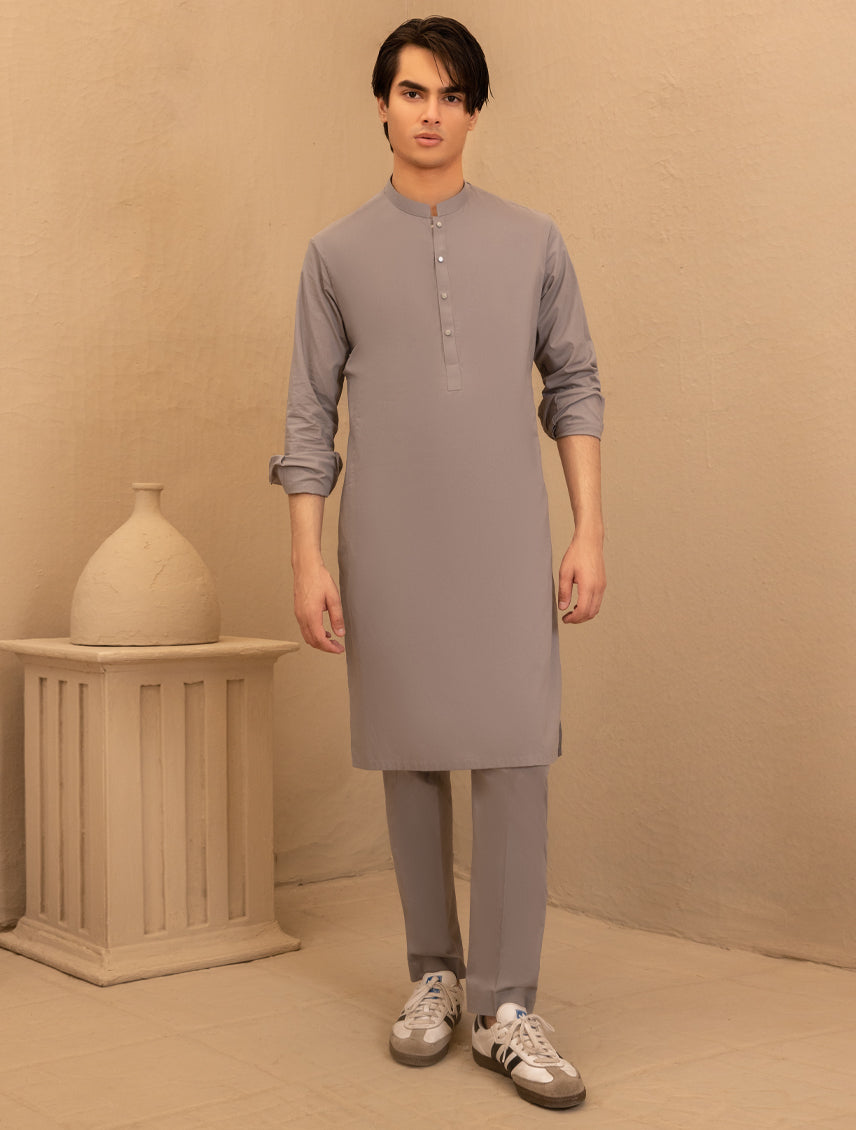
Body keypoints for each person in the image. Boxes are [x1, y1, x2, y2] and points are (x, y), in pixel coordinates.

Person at [270, 15, 605, 1111]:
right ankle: (434, 975)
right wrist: (307, 559)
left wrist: (588, 529)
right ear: (381, 104)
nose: (431, 113)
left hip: (506, 535)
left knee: (514, 757)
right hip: (390, 538)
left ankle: (505, 1006)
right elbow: (309, 418)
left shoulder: (533, 240)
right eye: (413, 91)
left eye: (452, 95)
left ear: (473, 111)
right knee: (411, 757)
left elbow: (575, 383)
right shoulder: (334, 256)